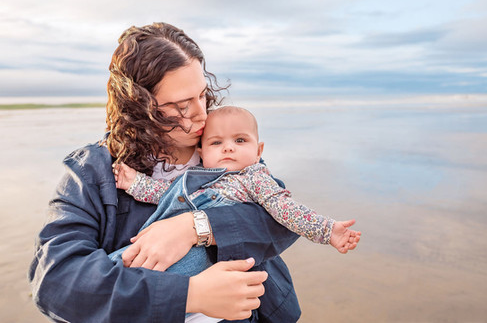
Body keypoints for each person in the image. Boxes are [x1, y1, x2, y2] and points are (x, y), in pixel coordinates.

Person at [28, 22, 301, 323]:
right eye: (181, 106)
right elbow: (55, 282)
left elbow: (282, 220)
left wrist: (195, 227)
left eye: (202, 95)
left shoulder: (220, 147)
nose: (201, 114)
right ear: (138, 107)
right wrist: (190, 294)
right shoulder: (92, 173)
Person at [110, 106, 361, 280]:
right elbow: (165, 193)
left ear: (259, 149)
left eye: (240, 140)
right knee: (118, 267)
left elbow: (285, 209)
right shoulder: (196, 177)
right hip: (156, 243)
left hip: (201, 257)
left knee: (129, 283)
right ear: (202, 151)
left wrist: (327, 230)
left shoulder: (255, 178)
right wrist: (133, 182)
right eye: (216, 143)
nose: (228, 148)